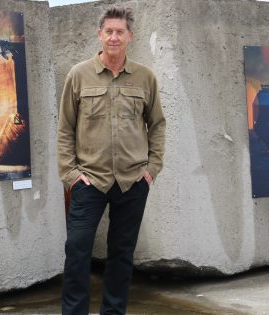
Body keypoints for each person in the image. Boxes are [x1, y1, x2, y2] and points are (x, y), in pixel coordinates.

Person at [57, 6, 166, 315]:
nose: (114, 37)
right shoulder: (79, 75)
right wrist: (71, 174)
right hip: (89, 179)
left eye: (120, 32)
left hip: (133, 181)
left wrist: (151, 169)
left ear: (130, 36)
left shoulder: (145, 78)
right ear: (99, 34)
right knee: (77, 250)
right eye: (109, 31)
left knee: (121, 254)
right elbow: (65, 127)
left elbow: (157, 124)